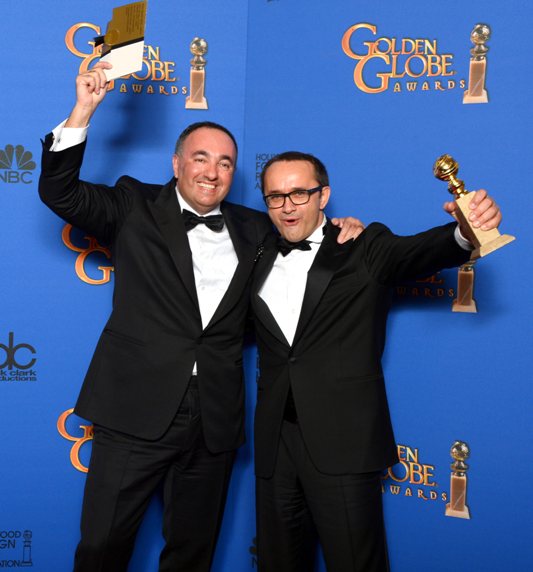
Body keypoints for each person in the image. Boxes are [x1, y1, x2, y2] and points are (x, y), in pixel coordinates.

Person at [39, 63, 362, 572]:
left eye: (225, 163)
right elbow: (60, 192)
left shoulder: (257, 227)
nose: (212, 172)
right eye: (201, 158)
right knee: (102, 548)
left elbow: (304, 238)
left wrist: (339, 226)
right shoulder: (133, 204)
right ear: (176, 164)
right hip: (134, 410)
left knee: (193, 554)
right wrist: (83, 110)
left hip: (213, 418)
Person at [251, 151, 502, 572]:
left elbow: (420, 251)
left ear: (323, 195)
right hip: (276, 442)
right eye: (275, 196)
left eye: (299, 193)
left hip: (344, 441)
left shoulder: (364, 246)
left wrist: (465, 230)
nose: (287, 206)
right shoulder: (258, 252)